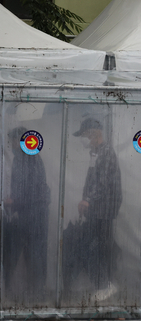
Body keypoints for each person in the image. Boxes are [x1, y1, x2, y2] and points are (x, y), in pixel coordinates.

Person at [65, 118, 122, 300]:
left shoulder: (105, 152)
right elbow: (93, 181)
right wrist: (85, 201)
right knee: (95, 248)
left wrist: (88, 200)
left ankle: (105, 285)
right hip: (97, 210)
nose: (82, 138)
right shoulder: (95, 153)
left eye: (84, 135)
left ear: (93, 133)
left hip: (103, 211)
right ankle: (105, 284)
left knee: (88, 247)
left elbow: (103, 182)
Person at [4, 127, 50, 299]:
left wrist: (14, 201)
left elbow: (31, 188)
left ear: (20, 140)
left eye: (13, 141)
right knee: (31, 250)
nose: (12, 145)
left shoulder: (28, 158)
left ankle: (37, 289)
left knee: (36, 250)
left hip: (35, 211)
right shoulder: (24, 157)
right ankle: (33, 287)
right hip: (29, 210)